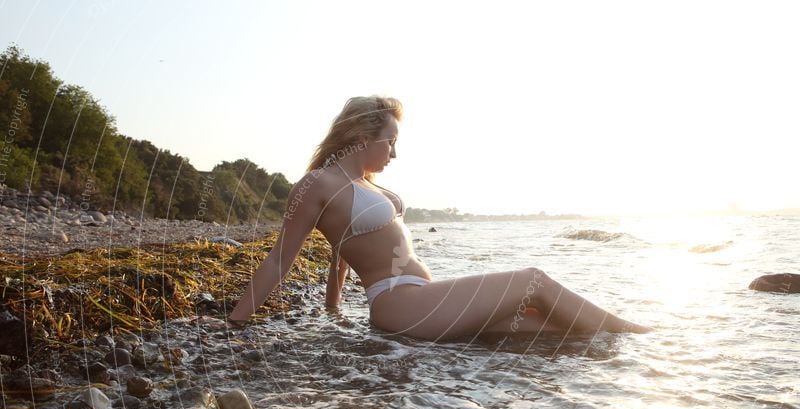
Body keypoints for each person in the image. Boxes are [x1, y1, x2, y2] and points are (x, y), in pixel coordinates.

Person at [228, 95, 652, 340]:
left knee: (549, 326)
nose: (394, 153)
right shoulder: (318, 183)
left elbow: (340, 251)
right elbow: (280, 260)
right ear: (362, 138)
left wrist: (333, 309)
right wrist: (233, 324)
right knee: (533, 281)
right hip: (401, 305)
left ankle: (623, 351)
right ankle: (635, 335)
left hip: (421, 300)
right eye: (389, 142)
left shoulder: (364, 183)